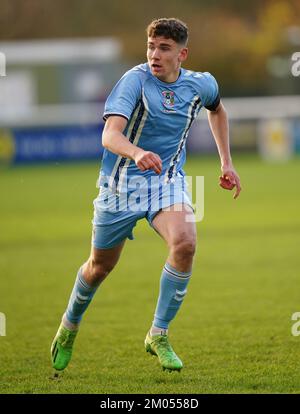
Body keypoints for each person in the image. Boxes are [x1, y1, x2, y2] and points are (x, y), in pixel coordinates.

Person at [51, 17, 241, 373]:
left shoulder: (201, 84)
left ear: (182, 54)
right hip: (120, 188)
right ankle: (69, 325)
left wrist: (226, 162)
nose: (155, 54)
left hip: (166, 182)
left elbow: (217, 110)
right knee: (99, 267)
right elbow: (109, 135)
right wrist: (136, 152)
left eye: (164, 48)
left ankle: (158, 333)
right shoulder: (135, 81)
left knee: (185, 242)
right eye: (151, 46)